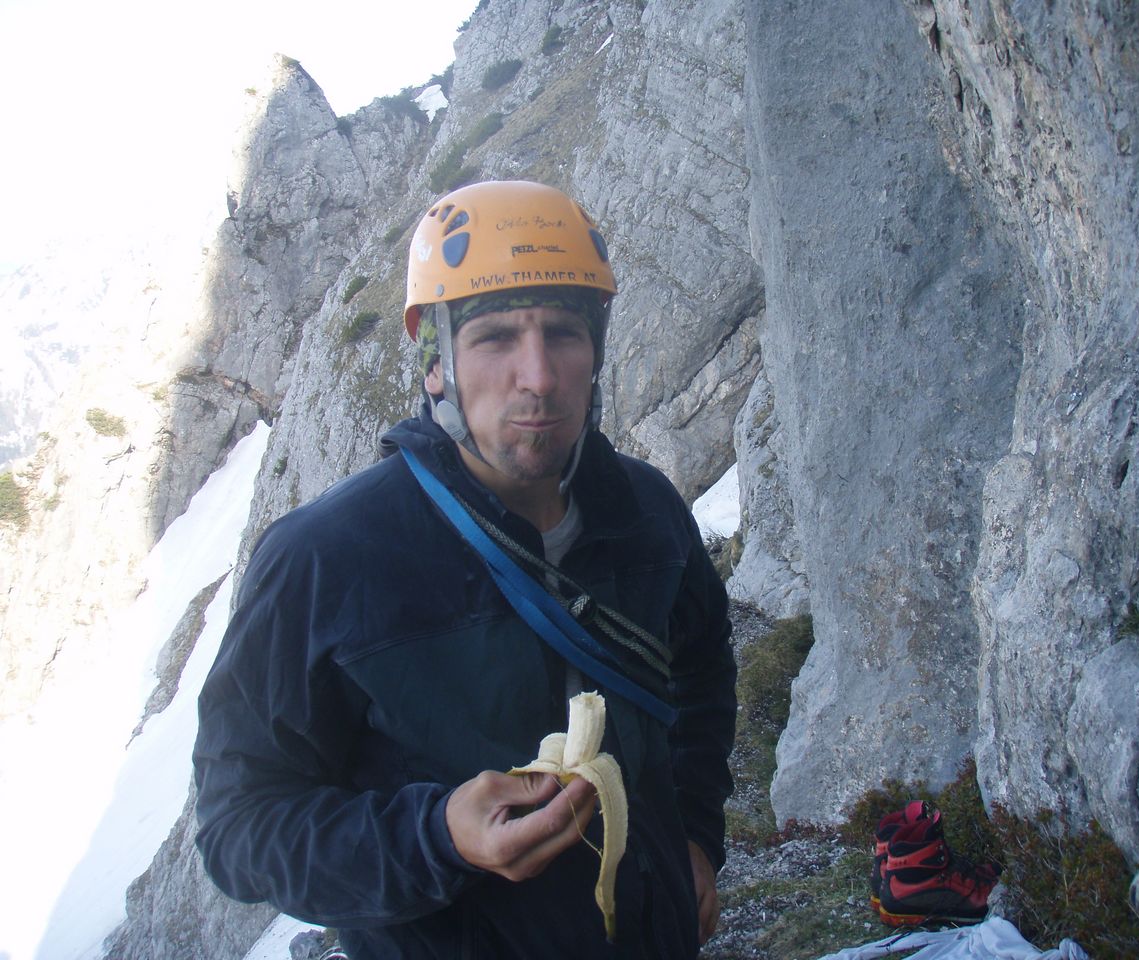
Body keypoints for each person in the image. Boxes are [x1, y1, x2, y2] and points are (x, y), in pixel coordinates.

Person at [193, 179, 737, 959]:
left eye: (564, 333)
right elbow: (239, 825)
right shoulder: (325, 559)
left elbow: (701, 669)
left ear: (596, 349)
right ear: (434, 360)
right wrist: (435, 836)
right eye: (495, 338)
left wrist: (695, 835)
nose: (538, 376)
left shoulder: (646, 511)